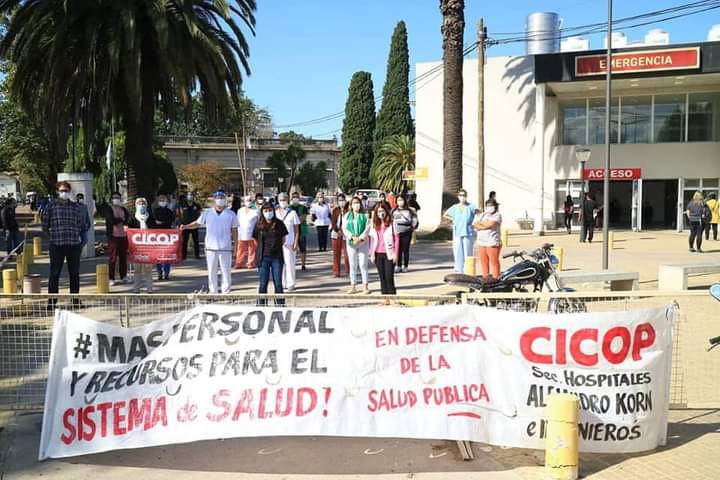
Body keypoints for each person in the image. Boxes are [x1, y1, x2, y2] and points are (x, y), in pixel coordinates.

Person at [181, 191, 239, 293]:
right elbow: (197, 223)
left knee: (226, 271)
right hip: (210, 247)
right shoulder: (207, 212)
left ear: (225, 199)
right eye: (218, 197)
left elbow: (234, 230)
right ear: (214, 199)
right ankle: (213, 292)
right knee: (212, 271)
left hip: (225, 247)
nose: (220, 200)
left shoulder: (231, 214)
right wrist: (186, 226)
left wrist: (236, 246)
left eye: (222, 197)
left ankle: (226, 292)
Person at [42, 181, 88, 303]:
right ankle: (52, 302)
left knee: (74, 274)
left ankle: (75, 300)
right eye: (62, 190)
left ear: (69, 192)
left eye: (66, 190)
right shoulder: (50, 206)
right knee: (54, 274)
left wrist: (79, 239)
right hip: (56, 245)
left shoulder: (75, 207)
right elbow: (45, 226)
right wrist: (52, 237)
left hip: (73, 245)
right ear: (57, 192)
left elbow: (82, 225)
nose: (64, 193)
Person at [253, 203, 288, 305]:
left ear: (273, 211)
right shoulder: (258, 225)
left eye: (270, 210)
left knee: (278, 283)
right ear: (262, 212)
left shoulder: (279, 224)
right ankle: (261, 305)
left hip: (276, 257)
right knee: (263, 283)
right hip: (263, 258)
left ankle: (280, 304)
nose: (268, 213)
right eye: (266, 211)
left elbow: (283, 239)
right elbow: (255, 240)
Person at [369, 203, 399, 299]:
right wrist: (372, 253)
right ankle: (385, 298)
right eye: (378, 211)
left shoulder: (392, 223)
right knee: (382, 277)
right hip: (378, 254)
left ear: (386, 211)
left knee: (389, 276)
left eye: (382, 211)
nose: (380, 213)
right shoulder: (374, 224)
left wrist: (395, 253)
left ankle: (392, 297)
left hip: (389, 254)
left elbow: (397, 239)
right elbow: (372, 240)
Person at [343, 196, 371, 294]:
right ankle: (353, 286)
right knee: (352, 264)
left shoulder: (365, 216)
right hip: (351, 243)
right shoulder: (346, 216)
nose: (356, 205)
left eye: (358, 203)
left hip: (363, 243)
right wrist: (352, 237)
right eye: (354, 203)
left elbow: (367, 228)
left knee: (363, 264)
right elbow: (344, 229)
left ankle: (365, 286)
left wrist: (360, 238)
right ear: (351, 205)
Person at [443, 189, 476, 273]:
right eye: (461, 195)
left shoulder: (471, 206)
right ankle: (458, 268)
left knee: (467, 251)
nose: (462, 197)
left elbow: (479, 214)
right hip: (457, 231)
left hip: (468, 232)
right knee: (458, 251)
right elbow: (445, 214)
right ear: (458, 196)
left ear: (466, 196)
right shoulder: (455, 207)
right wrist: (453, 219)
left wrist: (475, 224)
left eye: (464, 195)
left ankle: (467, 269)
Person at [128, 198, 156, 293]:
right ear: (136, 205)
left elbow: (155, 231)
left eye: (143, 203)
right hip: (136, 248)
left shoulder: (150, 217)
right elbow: (129, 230)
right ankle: (136, 289)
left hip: (148, 247)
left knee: (148, 269)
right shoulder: (132, 218)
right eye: (139, 203)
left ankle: (149, 289)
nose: (141, 205)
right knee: (137, 269)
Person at [275, 193, 300, 291]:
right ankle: (281, 283)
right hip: (277, 243)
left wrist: (295, 242)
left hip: (289, 242)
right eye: (281, 200)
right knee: (279, 263)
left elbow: (297, 230)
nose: (283, 201)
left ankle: (291, 283)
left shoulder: (292, 213)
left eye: (284, 199)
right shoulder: (275, 212)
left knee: (290, 263)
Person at [473, 199, 502, 279]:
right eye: (488, 206)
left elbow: (491, 224)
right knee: (484, 262)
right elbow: (475, 225)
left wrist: (481, 225)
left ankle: (496, 277)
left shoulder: (497, 215)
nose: (490, 207)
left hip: (492, 242)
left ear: (495, 206)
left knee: (494, 261)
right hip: (482, 242)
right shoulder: (483, 215)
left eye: (491, 205)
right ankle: (485, 277)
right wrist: (484, 226)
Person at [105, 192, 130, 285]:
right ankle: (111, 278)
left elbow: (127, 219)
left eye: (118, 198)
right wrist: (120, 219)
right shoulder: (109, 209)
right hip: (113, 237)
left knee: (123, 258)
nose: (116, 199)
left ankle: (123, 276)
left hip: (123, 236)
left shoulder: (123, 209)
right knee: (113, 258)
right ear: (112, 199)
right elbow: (111, 220)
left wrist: (122, 220)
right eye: (114, 197)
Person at [392, 194, 418, 273]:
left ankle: (405, 265)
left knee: (405, 250)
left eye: (401, 200)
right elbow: (391, 220)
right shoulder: (393, 210)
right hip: (397, 233)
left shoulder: (409, 210)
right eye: (398, 200)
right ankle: (398, 265)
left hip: (407, 232)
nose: (400, 202)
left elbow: (415, 220)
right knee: (398, 250)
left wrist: (412, 227)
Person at [153, 194, 175, 280]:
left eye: (164, 200)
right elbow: (153, 222)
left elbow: (171, 221)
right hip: (157, 236)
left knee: (167, 255)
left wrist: (162, 223)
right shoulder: (155, 211)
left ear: (167, 201)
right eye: (161, 200)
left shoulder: (169, 212)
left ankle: (166, 273)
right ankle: (159, 272)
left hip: (167, 235)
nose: (162, 201)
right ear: (158, 201)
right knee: (158, 255)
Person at [235, 195, 258, 269]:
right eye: (247, 200)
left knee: (252, 249)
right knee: (240, 249)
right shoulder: (240, 210)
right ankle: (239, 263)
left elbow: (258, 221)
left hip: (252, 233)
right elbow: (237, 221)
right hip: (241, 232)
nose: (249, 202)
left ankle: (251, 263)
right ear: (244, 202)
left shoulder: (256, 210)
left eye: (250, 200)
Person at [330, 193, 350, 277]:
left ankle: (349, 270)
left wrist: (344, 230)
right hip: (336, 233)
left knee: (347, 253)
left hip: (346, 234)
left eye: (343, 200)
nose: (341, 202)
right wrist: (337, 230)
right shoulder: (335, 210)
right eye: (340, 200)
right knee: (336, 254)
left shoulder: (348, 210)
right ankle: (336, 271)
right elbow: (333, 222)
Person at [179, 192, 202, 260]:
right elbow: (180, 214)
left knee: (196, 241)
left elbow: (199, 213)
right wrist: (181, 223)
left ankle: (197, 255)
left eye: (191, 195)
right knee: (184, 241)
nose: (190, 196)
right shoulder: (182, 205)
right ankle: (184, 256)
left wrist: (198, 223)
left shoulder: (196, 205)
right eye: (189, 195)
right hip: (185, 225)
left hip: (194, 226)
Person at [290, 192, 309, 270]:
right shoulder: (289, 208)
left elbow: (303, 218)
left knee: (302, 248)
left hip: (302, 231)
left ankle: (303, 264)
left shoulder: (303, 208)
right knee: (291, 248)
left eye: (296, 197)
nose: (295, 198)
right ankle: (292, 264)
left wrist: (294, 220)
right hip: (291, 231)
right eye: (294, 197)